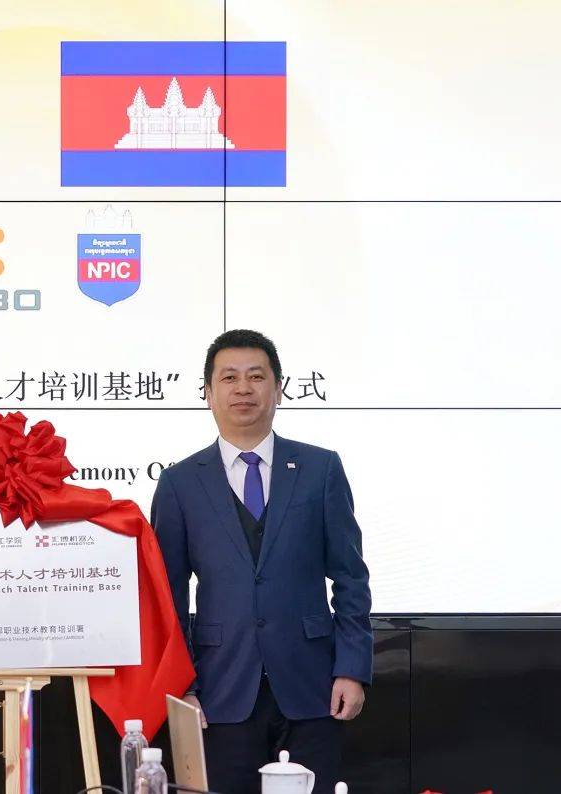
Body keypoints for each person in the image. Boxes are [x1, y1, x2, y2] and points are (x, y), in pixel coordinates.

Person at [151, 330, 372, 794]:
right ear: (208, 393)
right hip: (219, 689)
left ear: (279, 388)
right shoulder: (179, 483)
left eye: (256, 376)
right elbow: (167, 597)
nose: (243, 388)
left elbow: (350, 576)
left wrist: (351, 668)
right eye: (229, 378)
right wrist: (182, 687)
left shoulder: (320, 469)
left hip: (313, 686)